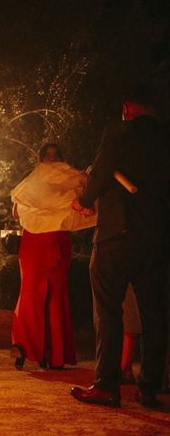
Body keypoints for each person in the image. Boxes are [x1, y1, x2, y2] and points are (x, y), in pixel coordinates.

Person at [70, 97, 170, 408]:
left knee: (108, 309)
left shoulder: (119, 133)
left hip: (118, 234)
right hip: (158, 239)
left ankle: (106, 385)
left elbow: (100, 174)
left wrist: (84, 200)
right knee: (155, 315)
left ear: (128, 108)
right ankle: (149, 388)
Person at [10, 143, 79, 370]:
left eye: (55, 155)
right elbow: (16, 211)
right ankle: (28, 347)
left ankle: (54, 353)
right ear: (40, 159)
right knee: (30, 292)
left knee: (55, 295)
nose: (50, 159)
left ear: (61, 157)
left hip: (56, 240)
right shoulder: (32, 179)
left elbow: (76, 207)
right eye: (46, 156)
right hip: (34, 242)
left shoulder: (68, 180)